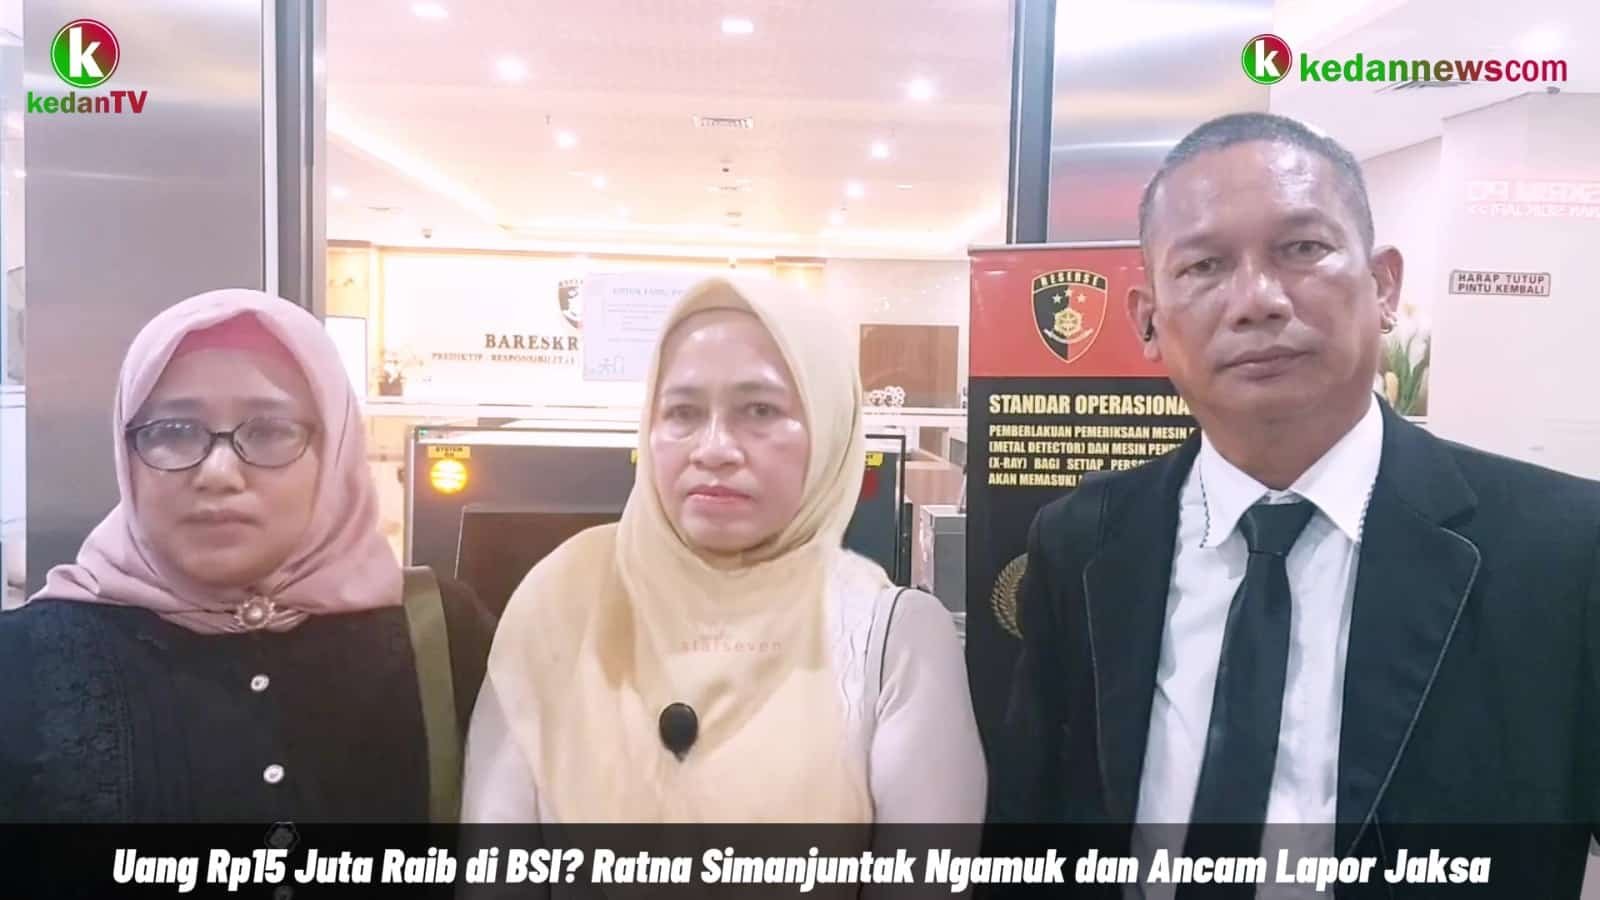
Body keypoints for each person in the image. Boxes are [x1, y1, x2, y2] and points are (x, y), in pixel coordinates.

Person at [991, 112, 1600, 893]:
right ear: (1148, 322)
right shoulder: (1082, 542)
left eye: (1303, 249)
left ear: (1384, 286)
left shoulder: (1562, 554)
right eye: (1204, 265)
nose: (1257, 300)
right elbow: (1030, 833)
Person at [462, 276, 985, 823]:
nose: (713, 449)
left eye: (759, 410)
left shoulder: (893, 640)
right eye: (683, 412)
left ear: (829, 426)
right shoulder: (562, 599)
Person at [0, 289, 493, 822]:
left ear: (335, 450)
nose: (218, 474)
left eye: (269, 431)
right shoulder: (23, 661)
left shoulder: (444, 638)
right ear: (127, 454)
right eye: (173, 432)